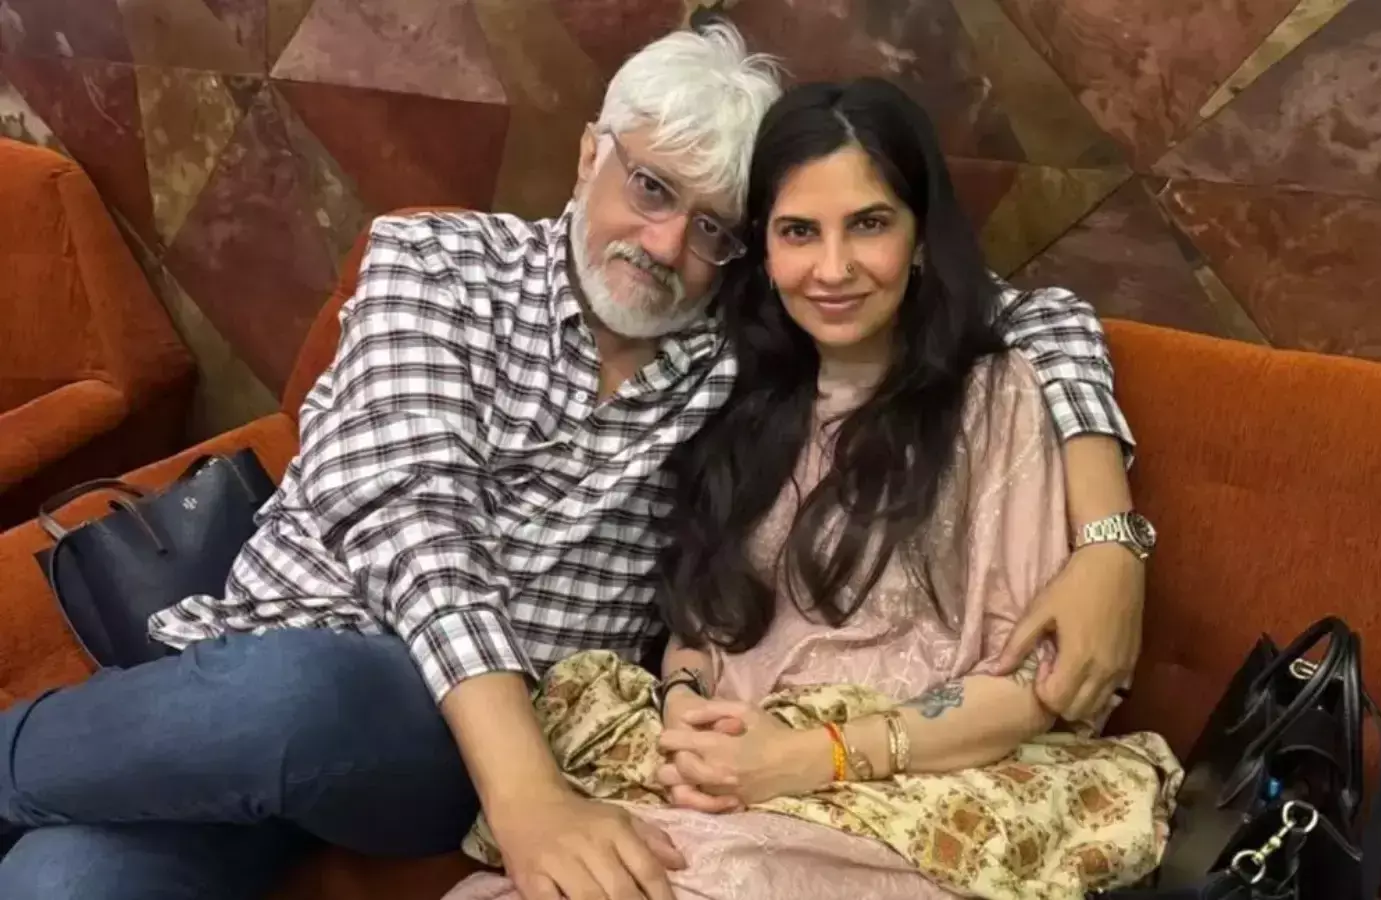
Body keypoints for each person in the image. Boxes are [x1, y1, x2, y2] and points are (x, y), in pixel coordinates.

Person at [0, 21, 1150, 900]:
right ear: (590, 152)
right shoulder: (435, 263)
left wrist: (1107, 543)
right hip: (261, 696)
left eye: (714, 227)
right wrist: (531, 801)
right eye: (649, 187)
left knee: (307, 696)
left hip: (424, 749)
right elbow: (415, 525)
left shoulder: (735, 351)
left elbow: (1019, 316)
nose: (665, 245)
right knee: (58, 880)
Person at [443, 75, 1176, 900]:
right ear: (763, 251)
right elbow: (702, 617)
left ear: (921, 237)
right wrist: (685, 700)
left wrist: (808, 757)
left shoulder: (996, 399)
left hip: (900, 789)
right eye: (799, 232)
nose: (833, 269)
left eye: (869, 224)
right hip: (722, 779)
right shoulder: (732, 393)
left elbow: (1031, 684)